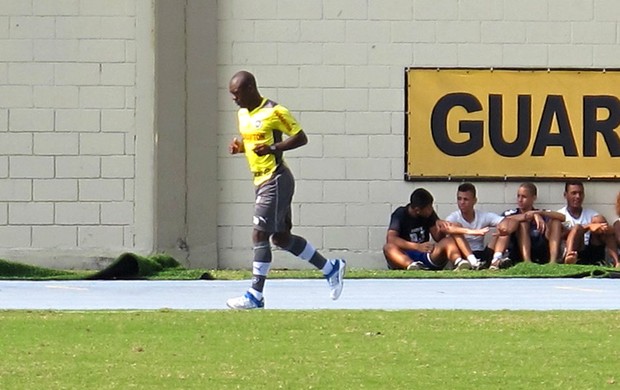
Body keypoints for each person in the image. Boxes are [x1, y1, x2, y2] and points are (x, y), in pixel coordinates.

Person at [225, 70, 346, 309]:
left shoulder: (275, 111)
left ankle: (255, 295)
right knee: (280, 238)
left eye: (237, 94)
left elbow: (301, 138)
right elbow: (251, 140)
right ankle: (331, 268)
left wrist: (272, 148)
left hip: (276, 179)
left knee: (259, 234)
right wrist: (240, 147)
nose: (234, 99)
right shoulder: (242, 114)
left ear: (250, 89)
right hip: (260, 180)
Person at [383, 188, 487, 271]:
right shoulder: (400, 214)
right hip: (405, 253)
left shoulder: (429, 214)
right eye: (429, 207)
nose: (431, 210)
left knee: (448, 240)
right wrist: (416, 246)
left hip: (426, 253)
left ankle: (459, 262)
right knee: (388, 247)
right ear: (417, 210)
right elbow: (391, 239)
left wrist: (441, 227)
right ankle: (412, 266)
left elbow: (438, 238)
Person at [444, 183, 517, 270]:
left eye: (465, 199)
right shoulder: (454, 217)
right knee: (455, 227)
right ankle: (473, 262)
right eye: (459, 199)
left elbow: (509, 221)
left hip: (482, 254)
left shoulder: (482, 215)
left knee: (503, 226)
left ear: (474, 201)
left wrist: (506, 229)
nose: (462, 202)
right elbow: (445, 228)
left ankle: (496, 261)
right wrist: (472, 232)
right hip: (464, 256)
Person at [501, 182, 565, 264]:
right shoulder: (512, 213)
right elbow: (502, 220)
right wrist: (528, 216)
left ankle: (553, 262)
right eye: (518, 196)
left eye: (524, 197)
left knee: (556, 222)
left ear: (534, 198)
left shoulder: (540, 213)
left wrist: (538, 213)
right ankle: (527, 262)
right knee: (523, 223)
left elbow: (563, 217)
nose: (520, 200)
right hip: (517, 253)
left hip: (541, 252)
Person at [559, 181, 618, 267]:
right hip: (575, 250)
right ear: (565, 195)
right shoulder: (560, 215)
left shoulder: (592, 214)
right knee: (577, 228)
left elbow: (611, 231)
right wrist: (588, 227)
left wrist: (601, 228)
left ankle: (617, 263)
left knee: (599, 221)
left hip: (592, 249)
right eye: (574, 193)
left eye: (580, 193)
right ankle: (569, 258)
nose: (578, 196)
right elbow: (553, 237)